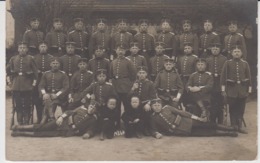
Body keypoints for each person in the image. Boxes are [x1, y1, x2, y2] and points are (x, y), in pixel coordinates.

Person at [149, 98, 238, 139]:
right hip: (182, 131)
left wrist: (197, 118)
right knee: (207, 133)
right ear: (152, 107)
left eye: (158, 105)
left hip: (188, 122)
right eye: (154, 106)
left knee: (208, 125)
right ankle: (229, 133)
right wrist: (156, 134)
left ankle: (231, 128)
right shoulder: (153, 117)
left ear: (161, 105)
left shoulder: (167, 108)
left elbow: (183, 113)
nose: (157, 107)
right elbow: (153, 130)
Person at [11, 99, 99, 139]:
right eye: (91, 106)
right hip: (61, 122)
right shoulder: (81, 109)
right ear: (89, 106)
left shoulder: (93, 119)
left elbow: (91, 129)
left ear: (95, 111)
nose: (91, 109)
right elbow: (68, 112)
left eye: (94, 108)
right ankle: (19, 127)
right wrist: (61, 117)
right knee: (42, 127)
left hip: (66, 131)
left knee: (43, 134)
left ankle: (20, 133)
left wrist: (88, 134)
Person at [220, 45, 252, 134]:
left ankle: (239, 126)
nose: (237, 53)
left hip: (242, 90)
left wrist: (248, 91)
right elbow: (223, 78)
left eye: (238, 51)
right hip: (231, 90)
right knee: (232, 109)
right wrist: (223, 90)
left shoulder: (245, 63)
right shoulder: (227, 63)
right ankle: (233, 126)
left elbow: (249, 78)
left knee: (241, 109)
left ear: (241, 53)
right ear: (231, 53)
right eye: (235, 52)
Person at [6, 42, 38, 125]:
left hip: (27, 85)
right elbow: (8, 71)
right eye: (20, 47)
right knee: (18, 103)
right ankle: (19, 120)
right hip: (16, 85)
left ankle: (26, 120)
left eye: (24, 47)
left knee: (27, 104)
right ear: (18, 49)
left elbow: (35, 73)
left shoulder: (31, 58)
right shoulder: (13, 59)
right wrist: (9, 82)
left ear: (27, 49)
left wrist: (33, 84)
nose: (22, 49)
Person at [110, 45, 136, 129]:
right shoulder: (113, 62)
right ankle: (117, 125)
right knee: (116, 107)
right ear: (116, 51)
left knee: (127, 106)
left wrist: (129, 84)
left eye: (122, 50)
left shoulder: (128, 61)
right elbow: (111, 74)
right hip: (116, 86)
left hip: (125, 86)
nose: (120, 52)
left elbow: (133, 74)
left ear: (125, 52)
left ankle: (128, 124)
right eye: (119, 50)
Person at [38, 57, 70, 124]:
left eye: (57, 63)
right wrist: (44, 93)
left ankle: (48, 119)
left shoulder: (63, 74)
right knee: (47, 98)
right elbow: (41, 86)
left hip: (60, 97)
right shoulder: (46, 74)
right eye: (53, 63)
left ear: (59, 65)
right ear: (50, 64)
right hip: (49, 95)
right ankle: (51, 117)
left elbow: (66, 87)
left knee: (49, 101)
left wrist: (57, 95)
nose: (55, 65)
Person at [129, 66, 157, 135]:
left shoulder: (150, 83)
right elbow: (129, 96)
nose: (141, 74)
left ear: (146, 74)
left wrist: (148, 103)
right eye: (140, 73)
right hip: (136, 104)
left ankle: (147, 128)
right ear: (137, 74)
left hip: (145, 103)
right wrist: (133, 88)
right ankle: (134, 128)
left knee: (147, 111)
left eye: (143, 73)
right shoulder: (135, 82)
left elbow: (153, 97)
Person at [33, 41, 53, 123]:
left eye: (45, 46)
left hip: (48, 81)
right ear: (39, 48)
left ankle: (48, 118)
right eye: (41, 46)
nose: (43, 48)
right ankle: (39, 118)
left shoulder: (51, 57)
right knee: (38, 100)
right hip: (37, 81)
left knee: (47, 100)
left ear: (47, 48)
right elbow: (32, 68)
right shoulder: (34, 58)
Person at [206, 43, 227, 124]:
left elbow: (226, 72)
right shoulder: (208, 59)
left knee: (220, 102)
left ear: (220, 50)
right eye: (213, 49)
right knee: (212, 102)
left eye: (217, 49)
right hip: (211, 82)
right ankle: (212, 120)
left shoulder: (224, 59)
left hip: (220, 82)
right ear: (211, 50)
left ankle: (220, 121)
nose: (215, 51)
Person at [176, 42, 198, 107]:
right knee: (183, 94)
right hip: (183, 79)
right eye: (185, 48)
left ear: (192, 49)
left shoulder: (195, 58)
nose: (187, 50)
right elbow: (179, 70)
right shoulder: (181, 58)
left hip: (190, 79)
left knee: (190, 95)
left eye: (189, 48)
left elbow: (196, 70)